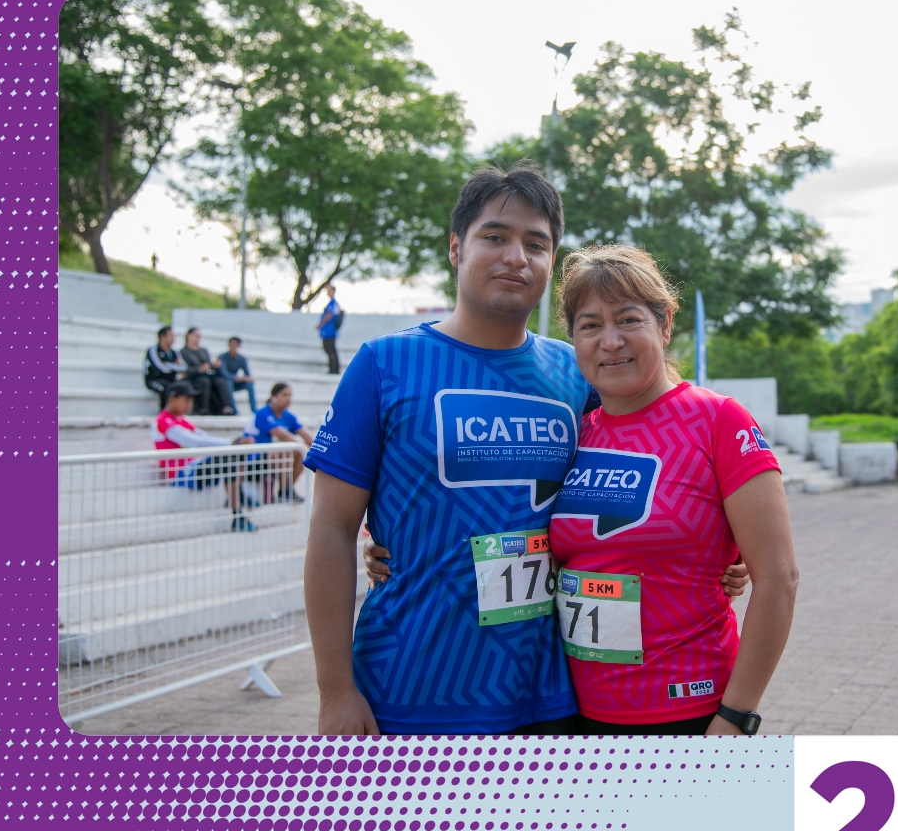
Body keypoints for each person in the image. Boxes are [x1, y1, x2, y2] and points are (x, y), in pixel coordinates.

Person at [305, 162, 747, 738]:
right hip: (413, 686)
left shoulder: (577, 372)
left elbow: (660, 454)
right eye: (495, 237)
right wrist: (335, 689)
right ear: (456, 247)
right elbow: (332, 527)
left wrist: (720, 552)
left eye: (535, 244)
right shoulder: (383, 365)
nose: (516, 257)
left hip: (550, 695)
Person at [546, 246, 797, 735]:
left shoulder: (718, 420)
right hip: (579, 713)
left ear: (664, 325)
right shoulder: (576, 433)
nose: (611, 341)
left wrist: (735, 717)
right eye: (590, 325)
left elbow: (779, 578)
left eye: (628, 320)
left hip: (690, 712)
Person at [153, 382, 257, 532]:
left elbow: (203, 436)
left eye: (191, 400)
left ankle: (237, 499)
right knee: (226, 456)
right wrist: (232, 443)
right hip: (181, 474)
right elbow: (193, 441)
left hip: (193, 468)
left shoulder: (182, 420)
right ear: (172, 399)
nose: (190, 404)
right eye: (186, 400)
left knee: (233, 455)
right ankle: (238, 512)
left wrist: (234, 443)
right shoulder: (163, 421)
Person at [247, 383, 314, 503]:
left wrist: (321, 451)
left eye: (290, 395)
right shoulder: (262, 413)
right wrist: (305, 447)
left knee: (301, 453)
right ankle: (284, 491)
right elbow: (283, 435)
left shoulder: (288, 416)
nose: (289, 399)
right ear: (273, 397)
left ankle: (287, 489)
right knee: (289, 449)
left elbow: (307, 436)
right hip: (253, 459)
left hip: (270, 459)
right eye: (284, 395)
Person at [179, 327, 236, 416]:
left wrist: (215, 366)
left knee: (221, 381)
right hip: (193, 377)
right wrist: (199, 369)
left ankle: (226, 408)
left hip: (207, 375)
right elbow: (184, 369)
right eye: (197, 336)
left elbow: (209, 364)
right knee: (204, 381)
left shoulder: (203, 350)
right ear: (189, 336)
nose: (198, 338)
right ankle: (203, 408)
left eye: (199, 336)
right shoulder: (183, 352)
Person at [143, 326, 188, 408]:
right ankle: (164, 412)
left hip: (170, 379)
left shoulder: (174, 352)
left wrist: (168, 364)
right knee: (166, 388)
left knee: (184, 386)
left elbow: (184, 367)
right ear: (162, 337)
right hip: (154, 379)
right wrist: (174, 365)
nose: (173, 338)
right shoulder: (153, 350)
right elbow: (161, 367)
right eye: (171, 336)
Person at [218, 336, 258, 413]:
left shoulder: (242, 359)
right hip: (224, 383)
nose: (232, 347)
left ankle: (254, 411)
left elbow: (247, 374)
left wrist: (246, 379)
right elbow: (224, 374)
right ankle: (235, 410)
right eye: (231, 345)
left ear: (239, 346)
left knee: (249, 384)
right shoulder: (222, 357)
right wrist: (238, 378)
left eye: (235, 345)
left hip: (235, 383)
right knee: (228, 383)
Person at [317, 283, 341, 374]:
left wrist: (321, 324)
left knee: (331, 349)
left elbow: (329, 315)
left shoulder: (333, 304)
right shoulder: (331, 303)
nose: (327, 292)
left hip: (330, 331)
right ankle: (332, 368)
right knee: (328, 349)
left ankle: (334, 369)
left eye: (329, 290)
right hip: (327, 331)